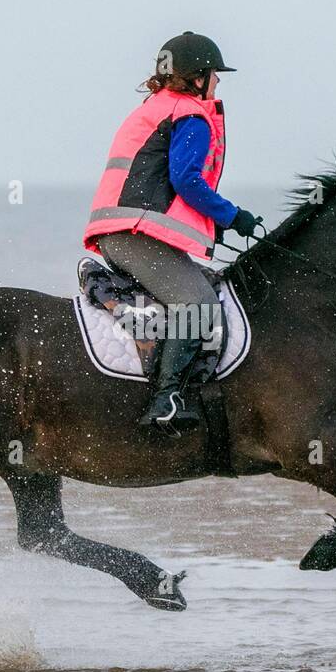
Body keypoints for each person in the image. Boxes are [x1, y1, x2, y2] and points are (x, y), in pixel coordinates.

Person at [83, 32, 260, 430]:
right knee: (198, 304)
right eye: (215, 74)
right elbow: (187, 182)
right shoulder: (190, 115)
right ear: (197, 77)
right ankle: (168, 400)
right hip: (135, 234)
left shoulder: (153, 108)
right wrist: (234, 216)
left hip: (121, 230)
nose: (218, 82)